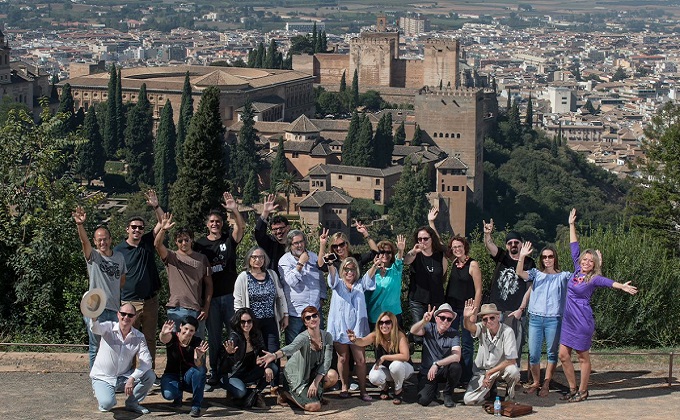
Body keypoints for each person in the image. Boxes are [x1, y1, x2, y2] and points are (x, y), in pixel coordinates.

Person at [558, 208, 638, 403]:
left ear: (594, 265)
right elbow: (574, 246)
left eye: (590, 261)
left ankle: (583, 391)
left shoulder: (594, 279)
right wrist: (571, 224)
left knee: (583, 357)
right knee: (563, 355)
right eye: (584, 259)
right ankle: (572, 388)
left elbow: (609, 282)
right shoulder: (577, 270)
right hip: (569, 321)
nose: (585, 262)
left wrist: (622, 287)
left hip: (583, 322)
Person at [194, 192, 245, 386]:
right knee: (214, 338)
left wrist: (234, 210)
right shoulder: (200, 245)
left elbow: (241, 227)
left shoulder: (228, 240)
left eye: (218, 221)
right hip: (211, 299)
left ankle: (232, 369)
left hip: (231, 296)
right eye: (212, 221)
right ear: (207, 224)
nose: (215, 224)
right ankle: (215, 371)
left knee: (235, 335)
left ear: (222, 223)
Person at [114, 190, 164, 373]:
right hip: (128, 302)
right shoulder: (118, 250)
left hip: (150, 301)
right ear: (127, 229)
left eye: (140, 227)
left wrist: (156, 206)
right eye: (134, 227)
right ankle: (127, 373)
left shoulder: (148, 242)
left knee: (149, 339)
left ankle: (147, 372)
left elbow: (162, 222)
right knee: (128, 339)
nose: (137, 230)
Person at [73, 206, 127, 369]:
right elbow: (84, 241)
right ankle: (96, 382)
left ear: (110, 240)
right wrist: (80, 225)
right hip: (96, 310)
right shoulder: (93, 256)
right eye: (99, 240)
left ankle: (110, 380)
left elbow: (121, 281)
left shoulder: (119, 258)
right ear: (95, 242)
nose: (102, 242)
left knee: (114, 347)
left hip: (114, 309)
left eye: (105, 239)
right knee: (95, 347)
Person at [516, 240, 571, 397]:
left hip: (554, 319)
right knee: (533, 353)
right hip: (535, 319)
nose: (547, 259)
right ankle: (535, 382)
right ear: (541, 259)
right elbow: (520, 273)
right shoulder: (536, 274)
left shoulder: (563, 276)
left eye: (550, 256)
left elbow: (580, 278)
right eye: (544, 257)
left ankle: (546, 382)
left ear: (555, 258)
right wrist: (522, 256)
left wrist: (596, 264)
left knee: (552, 353)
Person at [257, 305, 339, 412]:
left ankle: (314, 395)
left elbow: (327, 362)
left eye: (314, 316)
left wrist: (315, 382)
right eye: (308, 318)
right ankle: (286, 394)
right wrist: (274, 355)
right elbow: (291, 348)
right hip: (296, 377)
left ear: (319, 318)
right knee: (314, 407)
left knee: (333, 375)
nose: (312, 319)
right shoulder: (303, 337)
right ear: (305, 323)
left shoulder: (327, 336)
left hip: (312, 374)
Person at [233, 246, 288, 390]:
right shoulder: (243, 277)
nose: (258, 260)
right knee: (255, 353)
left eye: (261, 257)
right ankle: (256, 384)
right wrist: (243, 322)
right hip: (251, 323)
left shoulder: (272, 274)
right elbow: (238, 301)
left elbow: (280, 296)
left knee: (273, 351)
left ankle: (274, 385)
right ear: (249, 260)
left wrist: (285, 315)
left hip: (270, 320)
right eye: (254, 257)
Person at [483, 220, 535, 365]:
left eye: (516, 242)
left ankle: (513, 376)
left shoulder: (529, 262)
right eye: (510, 242)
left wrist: (521, 309)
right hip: (496, 310)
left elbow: (530, 287)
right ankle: (494, 375)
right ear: (506, 245)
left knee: (515, 346)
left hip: (516, 311)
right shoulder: (502, 257)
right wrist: (487, 234)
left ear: (521, 244)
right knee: (493, 344)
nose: (513, 245)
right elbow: (490, 245)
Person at [89, 303, 155, 415]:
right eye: (123, 314)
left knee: (150, 376)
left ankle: (132, 403)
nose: (126, 317)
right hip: (103, 377)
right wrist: (94, 317)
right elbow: (96, 329)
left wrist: (132, 378)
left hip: (124, 377)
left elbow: (147, 362)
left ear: (135, 317)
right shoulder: (108, 327)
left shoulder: (139, 337)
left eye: (130, 315)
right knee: (107, 405)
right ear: (118, 315)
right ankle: (102, 392)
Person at [325, 256, 376, 401]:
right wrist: (330, 264)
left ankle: (363, 390)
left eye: (353, 268)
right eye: (346, 268)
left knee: (360, 360)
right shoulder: (338, 284)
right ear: (342, 270)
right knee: (343, 358)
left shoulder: (360, 285)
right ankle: (344, 386)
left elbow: (369, 277)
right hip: (339, 327)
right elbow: (332, 276)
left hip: (357, 329)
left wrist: (375, 266)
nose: (349, 271)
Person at [155, 213, 213, 339]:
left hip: (196, 310)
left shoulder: (202, 259)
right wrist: (163, 229)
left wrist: (206, 308)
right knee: (176, 347)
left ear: (192, 240)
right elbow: (157, 245)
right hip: (175, 309)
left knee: (197, 348)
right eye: (180, 240)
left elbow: (209, 285)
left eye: (186, 239)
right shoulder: (171, 257)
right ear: (176, 242)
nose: (184, 243)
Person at [347, 311, 413, 405]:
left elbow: (405, 356)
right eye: (381, 322)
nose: (384, 325)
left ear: (393, 323)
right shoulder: (376, 335)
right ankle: (384, 387)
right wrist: (354, 340)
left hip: (404, 368)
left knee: (396, 365)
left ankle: (398, 390)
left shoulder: (399, 335)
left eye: (387, 322)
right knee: (374, 377)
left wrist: (384, 357)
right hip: (387, 368)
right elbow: (363, 341)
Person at [462, 300, 520, 405]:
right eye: (485, 319)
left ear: (498, 317)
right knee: (468, 400)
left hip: (500, 370)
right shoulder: (482, 327)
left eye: (492, 317)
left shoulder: (507, 331)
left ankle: (510, 395)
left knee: (513, 371)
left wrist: (490, 373)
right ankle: (490, 391)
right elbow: (469, 327)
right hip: (482, 370)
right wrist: (466, 318)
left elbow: (511, 360)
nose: (489, 321)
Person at [219, 308, 277, 409]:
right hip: (232, 375)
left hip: (247, 372)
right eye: (243, 322)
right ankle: (248, 394)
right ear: (238, 322)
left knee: (273, 368)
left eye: (249, 321)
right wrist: (229, 354)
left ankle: (255, 393)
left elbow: (264, 353)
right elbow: (223, 367)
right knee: (241, 392)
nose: (246, 324)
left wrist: (267, 366)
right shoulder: (234, 338)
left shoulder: (256, 334)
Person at [445, 235, 482, 386]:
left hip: (467, 309)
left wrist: (474, 312)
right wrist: (431, 223)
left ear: (465, 247)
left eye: (459, 246)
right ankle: (453, 375)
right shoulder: (454, 262)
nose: (457, 249)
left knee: (467, 344)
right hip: (452, 309)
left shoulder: (473, 265)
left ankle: (466, 376)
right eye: (454, 247)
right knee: (452, 342)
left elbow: (479, 290)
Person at [278, 230, 326, 345]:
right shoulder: (284, 260)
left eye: (301, 242)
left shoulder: (314, 257)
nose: (299, 245)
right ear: (290, 245)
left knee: (317, 345)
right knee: (295, 349)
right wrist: (300, 263)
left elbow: (321, 279)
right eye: (296, 243)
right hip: (296, 313)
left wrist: (323, 297)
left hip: (315, 310)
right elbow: (291, 281)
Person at [410, 303, 462, 408]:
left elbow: (456, 356)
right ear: (436, 318)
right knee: (423, 400)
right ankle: (433, 391)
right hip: (427, 372)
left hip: (442, 370)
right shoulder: (429, 327)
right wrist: (423, 321)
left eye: (449, 319)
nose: (445, 321)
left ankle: (448, 394)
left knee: (456, 367)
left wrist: (437, 364)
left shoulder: (454, 334)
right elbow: (413, 331)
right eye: (442, 318)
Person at [159, 317, 208, 417]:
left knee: (200, 370)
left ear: (195, 332)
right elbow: (164, 339)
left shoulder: (197, 342)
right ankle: (177, 396)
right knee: (168, 394)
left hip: (188, 377)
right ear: (180, 326)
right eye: (186, 328)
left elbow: (198, 366)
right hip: (172, 374)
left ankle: (196, 406)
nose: (187, 332)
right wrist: (163, 333)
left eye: (191, 330)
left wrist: (198, 357)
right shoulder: (172, 337)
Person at [403, 226, 448, 331]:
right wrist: (414, 252)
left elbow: (442, 274)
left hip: (436, 300)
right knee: (419, 331)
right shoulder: (415, 254)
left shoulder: (440, 255)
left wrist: (431, 222)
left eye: (425, 238)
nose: (422, 241)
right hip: (418, 300)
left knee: (435, 331)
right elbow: (406, 261)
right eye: (420, 239)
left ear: (432, 239)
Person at [364, 235, 406, 330]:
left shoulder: (395, 270)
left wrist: (400, 250)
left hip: (394, 315)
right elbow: (365, 284)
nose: (385, 255)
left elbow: (399, 260)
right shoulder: (373, 272)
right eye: (382, 252)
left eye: (388, 252)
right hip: (376, 316)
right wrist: (375, 266)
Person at [255, 194, 290, 271]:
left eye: (281, 228)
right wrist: (265, 212)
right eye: (275, 229)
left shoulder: (294, 243)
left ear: (288, 228)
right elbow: (259, 233)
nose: (278, 231)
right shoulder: (269, 243)